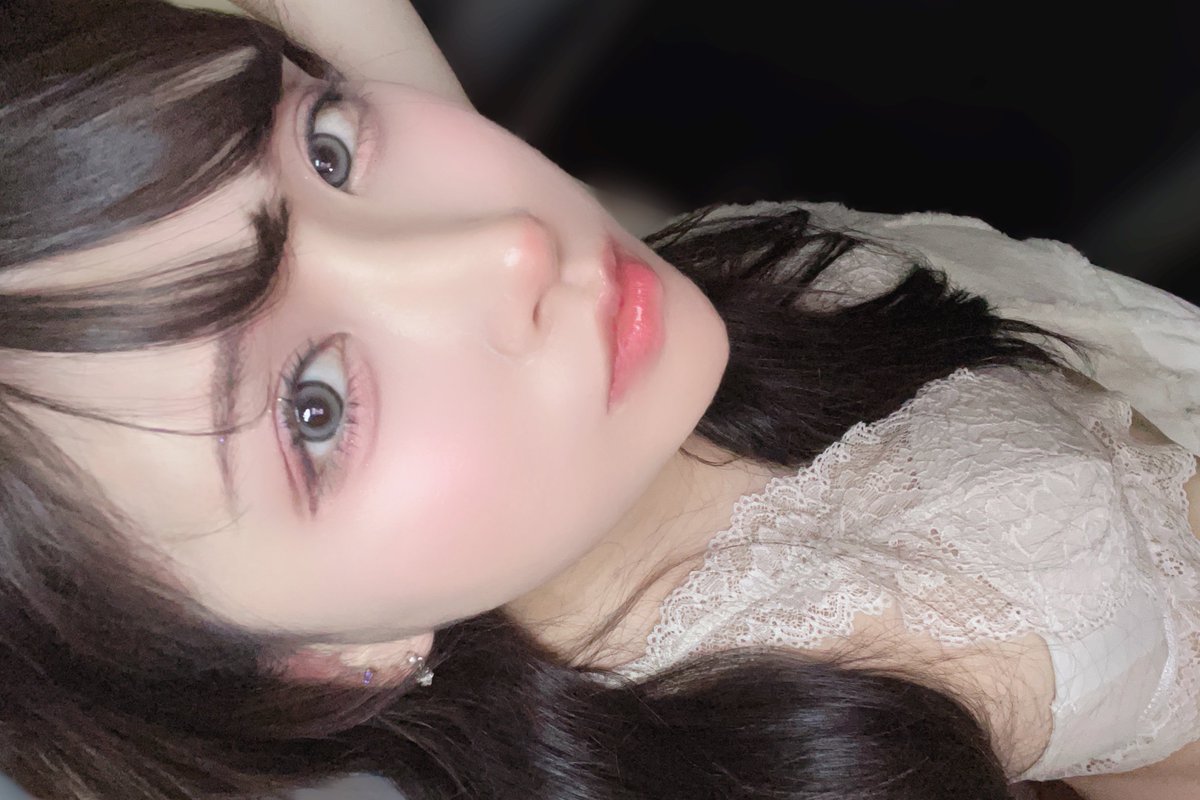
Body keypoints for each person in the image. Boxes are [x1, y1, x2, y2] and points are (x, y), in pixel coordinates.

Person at [1, 2, 1197, 799]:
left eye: (326, 152)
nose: (507, 245)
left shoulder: (577, 399)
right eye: (313, 408)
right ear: (320, 664)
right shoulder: (770, 747)